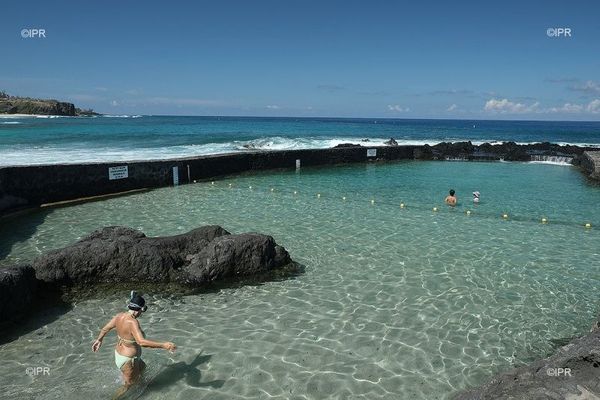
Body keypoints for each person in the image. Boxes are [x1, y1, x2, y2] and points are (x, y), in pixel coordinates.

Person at [92, 291, 177, 396]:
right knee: (128, 386)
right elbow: (141, 342)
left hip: (120, 354)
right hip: (128, 360)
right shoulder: (132, 322)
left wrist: (99, 340)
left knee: (143, 368)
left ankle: (144, 385)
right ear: (141, 309)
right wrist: (164, 345)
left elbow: (105, 329)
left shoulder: (119, 316)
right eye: (143, 310)